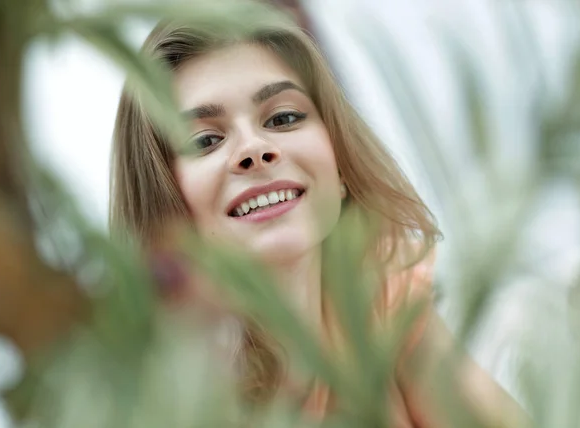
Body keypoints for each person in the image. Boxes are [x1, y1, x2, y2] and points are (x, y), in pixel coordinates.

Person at [109, 1, 529, 426]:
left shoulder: (379, 291)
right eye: (205, 141)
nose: (254, 149)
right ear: (165, 204)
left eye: (283, 117)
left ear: (340, 163)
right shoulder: (165, 397)